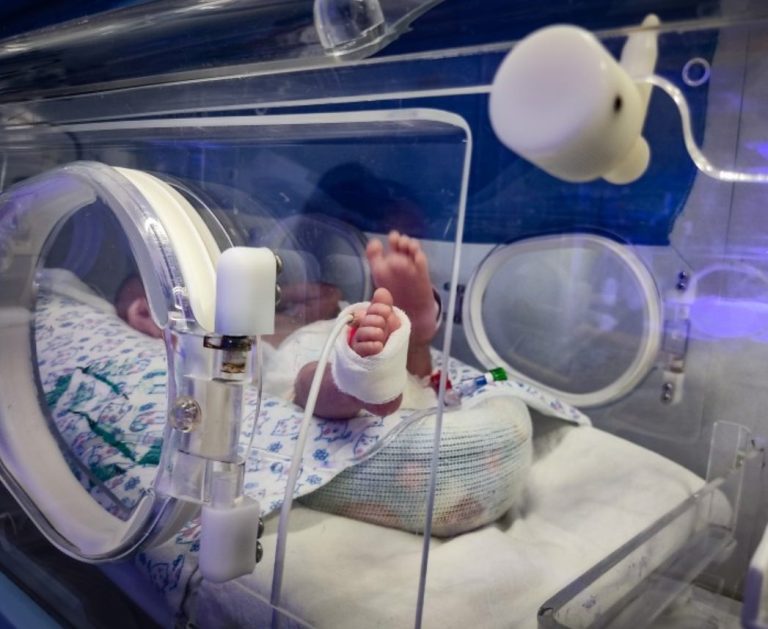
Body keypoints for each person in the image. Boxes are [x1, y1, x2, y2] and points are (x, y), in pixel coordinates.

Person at [116, 230, 441, 420]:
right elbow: (203, 359)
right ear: (143, 312)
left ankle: (410, 328)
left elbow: (329, 296)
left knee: (404, 358)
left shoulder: (268, 312)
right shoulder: (193, 337)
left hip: (338, 333)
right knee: (309, 381)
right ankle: (362, 379)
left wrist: (276, 294)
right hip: (302, 366)